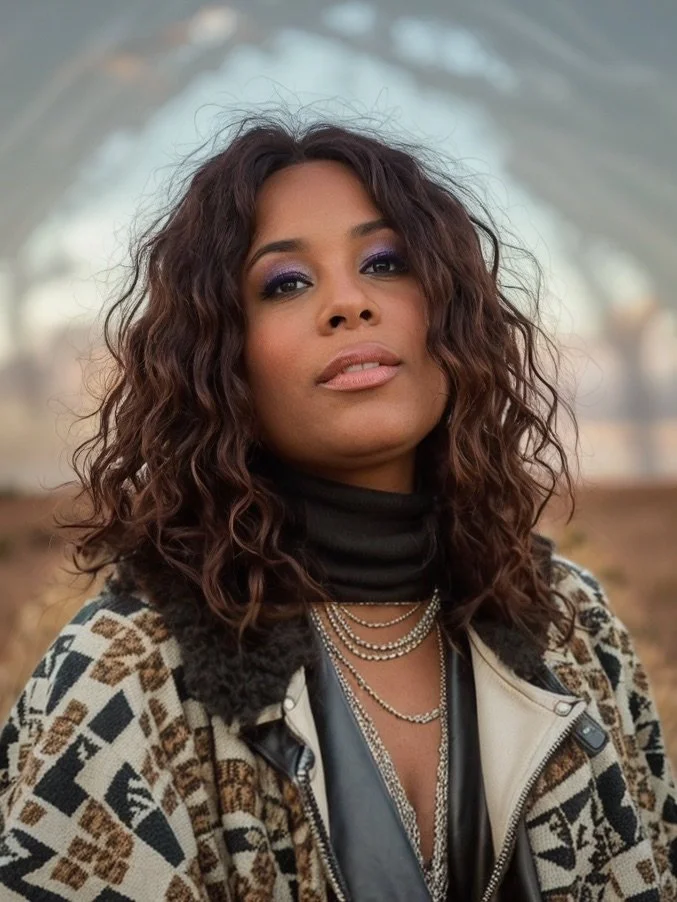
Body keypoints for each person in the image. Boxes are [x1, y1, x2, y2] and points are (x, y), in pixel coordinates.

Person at [1, 116, 675, 902]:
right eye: (285, 282)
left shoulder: (572, 627)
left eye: (385, 263)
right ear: (221, 360)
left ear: (449, 313)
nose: (348, 302)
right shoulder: (125, 671)